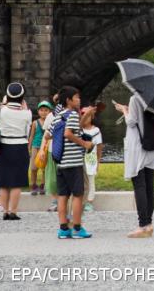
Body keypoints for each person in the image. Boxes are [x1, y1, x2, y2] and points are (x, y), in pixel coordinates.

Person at [114, 92, 154, 238]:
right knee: (149, 186)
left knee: (139, 185)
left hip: (138, 146)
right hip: (152, 145)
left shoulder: (135, 98)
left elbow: (131, 121)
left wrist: (125, 110)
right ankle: (149, 223)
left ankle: (143, 225)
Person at [54, 86, 94, 239]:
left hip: (61, 162)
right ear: (68, 100)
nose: (79, 100)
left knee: (63, 195)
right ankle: (77, 227)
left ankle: (63, 229)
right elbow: (69, 133)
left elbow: (52, 134)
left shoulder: (59, 115)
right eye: (76, 98)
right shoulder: (72, 114)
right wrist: (84, 144)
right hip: (73, 161)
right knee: (78, 194)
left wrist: (86, 114)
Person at [0, 82, 32, 220]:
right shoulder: (27, 113)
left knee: (3, 181)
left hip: (4, 146)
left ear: (7, 95)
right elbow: (27, 131)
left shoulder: (0, 110)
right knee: (16, 181)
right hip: (20, 146)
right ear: (22, 97)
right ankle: (13, 212)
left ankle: (5, 212)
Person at [79, 106, 104, 213]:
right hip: (79, 158)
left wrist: (98, 161)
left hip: (91, 158)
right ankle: (81, 201)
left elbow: (99, 146)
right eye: (82, 115)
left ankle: (89, 202)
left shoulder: (96, 130)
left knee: (90, 180)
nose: (85, 117)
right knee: (80, 181)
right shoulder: (78, 129)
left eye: (87, 115)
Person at [28, 101, 51, 195]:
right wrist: (29, 146)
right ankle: (33, 184)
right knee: (33, 167)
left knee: (45, 167)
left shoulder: (51, 122)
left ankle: (43, 184)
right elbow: (32, 136)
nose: (43, 112)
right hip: (36, 146)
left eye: (46, 110)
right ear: (38, 111)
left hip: (46, 147)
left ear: (50, 112)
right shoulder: (35, 123)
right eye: (41, 110)